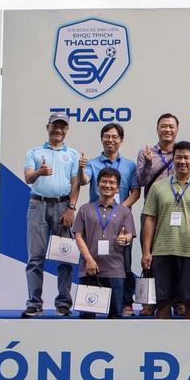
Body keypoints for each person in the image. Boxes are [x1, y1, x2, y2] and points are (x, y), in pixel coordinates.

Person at [140, 141, 190, 320]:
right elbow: (150, 219)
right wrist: (146, 252)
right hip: (162, 252)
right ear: (173, 160)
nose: (182, 161)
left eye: (186, 157)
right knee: (163, 301)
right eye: (178, 157)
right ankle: (163, 343)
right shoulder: (158, 187)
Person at [21, 112, 83, 318]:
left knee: (65, 258)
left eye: (62, 126)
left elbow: (76, 183)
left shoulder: (72, 154)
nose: (58, 130)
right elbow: (28, 178)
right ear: (47, 127)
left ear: (67, 130)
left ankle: (63, 304)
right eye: (54, 126)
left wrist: (71, 209)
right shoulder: (34, 152)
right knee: (35, 257)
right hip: (38, 205)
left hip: (62, 206)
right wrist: (39, 172)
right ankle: (34, 303)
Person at [78, 122, 140, 316]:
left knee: (124, 265)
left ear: (121, 140)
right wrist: (80, 169)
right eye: (107, 136)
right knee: (92, 260)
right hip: (95, 219)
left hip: (119, 218)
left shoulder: (129, 165)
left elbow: (136, 191)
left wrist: (121, 210)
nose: (110, 140)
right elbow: (83, 181)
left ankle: (126, 303)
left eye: (114, 137)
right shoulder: (92, 164)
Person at [72, 167, 137, 318]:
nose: (108, 185)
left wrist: (124, 239)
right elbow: (79, 236)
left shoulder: (124, 212)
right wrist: (88, 259)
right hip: (89, 269)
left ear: (118, 188)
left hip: (115, 270)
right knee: (87, 317)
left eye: (112, 183)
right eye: (104, 181)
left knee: (115, 316)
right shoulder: (85, 209)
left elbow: (129, 234)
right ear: (97, 184)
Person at [134, 112, 181, 316]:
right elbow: (142, 181)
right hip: (152, 211)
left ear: (177, 130)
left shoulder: (182, 153)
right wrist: (146, 164)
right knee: (149, 256)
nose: (167, 129)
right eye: (163, 126)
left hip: (177, 213)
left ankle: (178, 301)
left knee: (177, 257)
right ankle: (148, 302)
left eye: (171, 126)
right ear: (157, 129)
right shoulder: (146, 153)